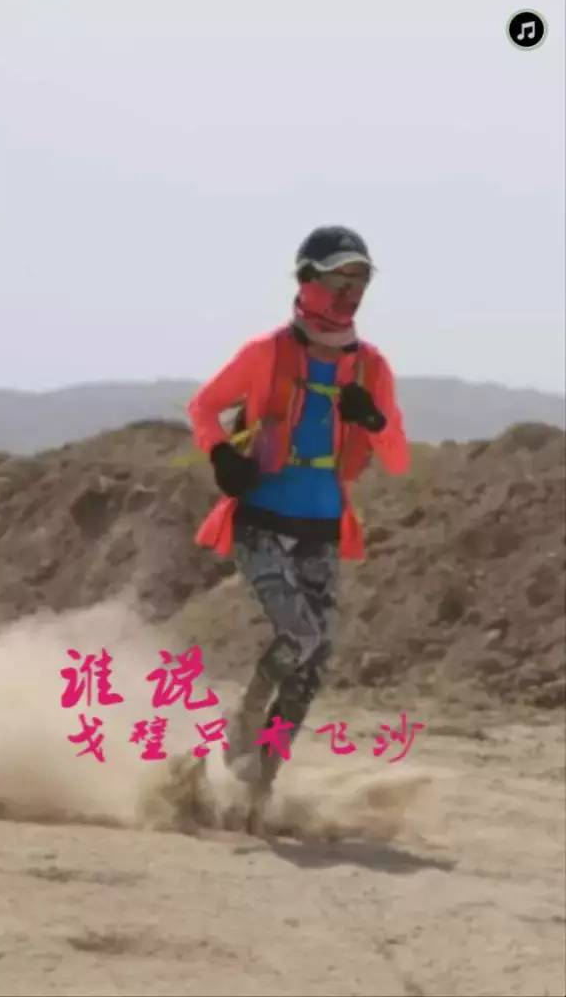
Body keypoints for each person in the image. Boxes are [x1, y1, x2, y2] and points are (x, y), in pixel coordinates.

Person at [187, 225, 409, 817]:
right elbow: (204, 406)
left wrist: (373, 419)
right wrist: (220, 454)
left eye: (360, 279)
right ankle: (242, 723)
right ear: (307, 280)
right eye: (339, 278)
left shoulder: (371, 367)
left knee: (316, 660)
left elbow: (397, 459)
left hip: (321, 527)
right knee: (302, 636)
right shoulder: (267, 352)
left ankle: (259, 786)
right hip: (260, 518)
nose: (350, 291)